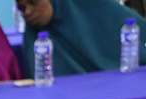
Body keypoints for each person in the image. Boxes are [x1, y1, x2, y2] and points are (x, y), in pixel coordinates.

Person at [17, 0, 146, 77]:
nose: (27, 12)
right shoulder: (33, 36)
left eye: (33, 2)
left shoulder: (95, 8)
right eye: (21, 8)